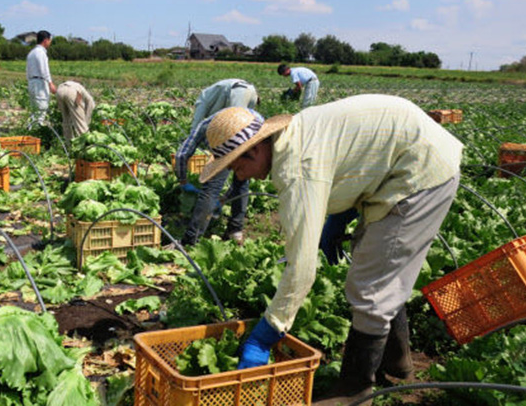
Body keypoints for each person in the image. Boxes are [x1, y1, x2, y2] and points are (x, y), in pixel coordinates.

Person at [198, 95, 463, 405]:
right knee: (380, 267)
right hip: (404, 160)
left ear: (256, 147)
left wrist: (267, 333)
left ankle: (355, 390)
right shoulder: (296, 136)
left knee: (371, 286)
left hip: (420, 171)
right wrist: (339, 217)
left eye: (237, 164)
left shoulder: (295, 169)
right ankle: (397, 361)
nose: (237, 175)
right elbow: (352, 160)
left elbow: (301, 268)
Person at [176, 79, 259, 246]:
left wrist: (183, 180)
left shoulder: (203, 122)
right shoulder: (250, 118)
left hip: (238, 93)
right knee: (242, 178)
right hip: (251, 91)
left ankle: (191, 241)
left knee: (211, 188)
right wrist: (224, 199)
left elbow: (183, 153)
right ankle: (235, 230)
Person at [26, 30, 57, 127]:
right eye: (50, 40)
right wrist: (50, 83)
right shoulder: (40, 53)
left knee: (35, 108)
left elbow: (27, 69)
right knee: (41, 107)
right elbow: (44, 69)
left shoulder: (32, 52)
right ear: (46, 40)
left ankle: (31, 128)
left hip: (32, 81)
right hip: (39, 82)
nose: (50, 42)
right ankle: (38, 130)